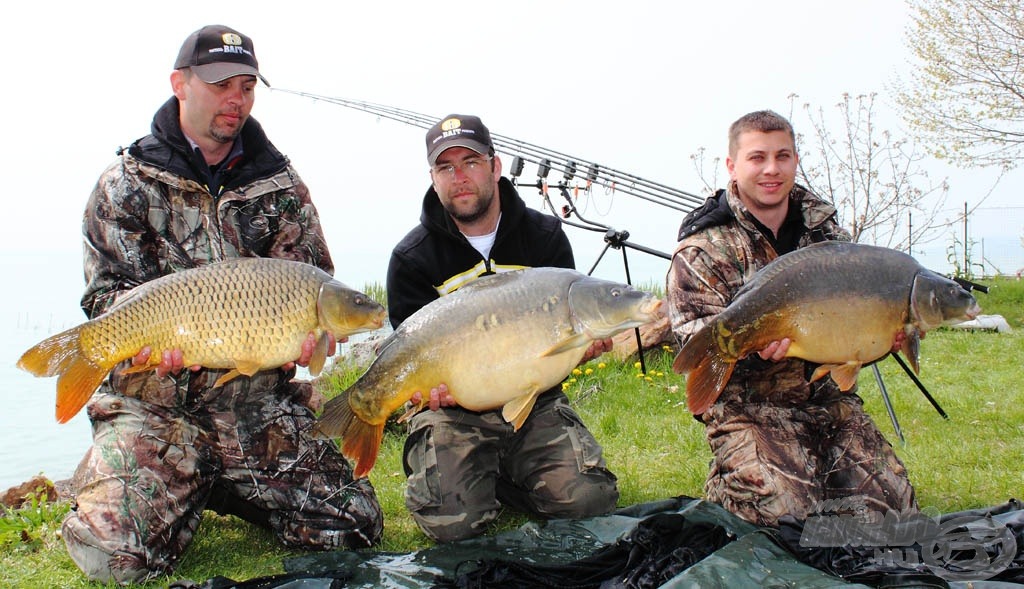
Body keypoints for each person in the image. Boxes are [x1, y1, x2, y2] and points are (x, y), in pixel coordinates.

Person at [62, 25, 383, 583]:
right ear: (180, 84)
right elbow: (106, 297)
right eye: (220, 84)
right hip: (156, 410)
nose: (236, 98)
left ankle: (224, 484)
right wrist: (143, 352)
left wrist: (310, 348)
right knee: (113, 560)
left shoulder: (279, 186)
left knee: (353, 528)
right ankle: (168, 483)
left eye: (247, 86)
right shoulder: (124, 186)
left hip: (255, 408)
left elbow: (313, 280)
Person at [665, 110, 916, 527]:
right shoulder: (703, 249)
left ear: (796, 160)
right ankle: (730, 483)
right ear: (732, 165)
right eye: (757, 157)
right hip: (750, 407)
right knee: (787, 521)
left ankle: (819, 480)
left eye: (782, 156)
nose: (771, 169)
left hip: (828, 400)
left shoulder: (829, 239)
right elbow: (691, 337)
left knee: (893, 516)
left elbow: (849, 338)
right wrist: (754, 349)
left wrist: (881, 339)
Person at [385, 114, 619, 542]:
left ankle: (506, 476)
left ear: (495, 166)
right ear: (433, 179)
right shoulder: (412, 258)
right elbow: (409, 351)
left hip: (537, 401)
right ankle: (476, 474)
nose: (459, 177)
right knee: (452, 525)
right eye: (445, 167)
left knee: (589, 502)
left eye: (471, 162)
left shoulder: (544, 236)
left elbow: (564, 334)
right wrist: (428, 394)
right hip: (451, 414)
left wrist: (581, 346)